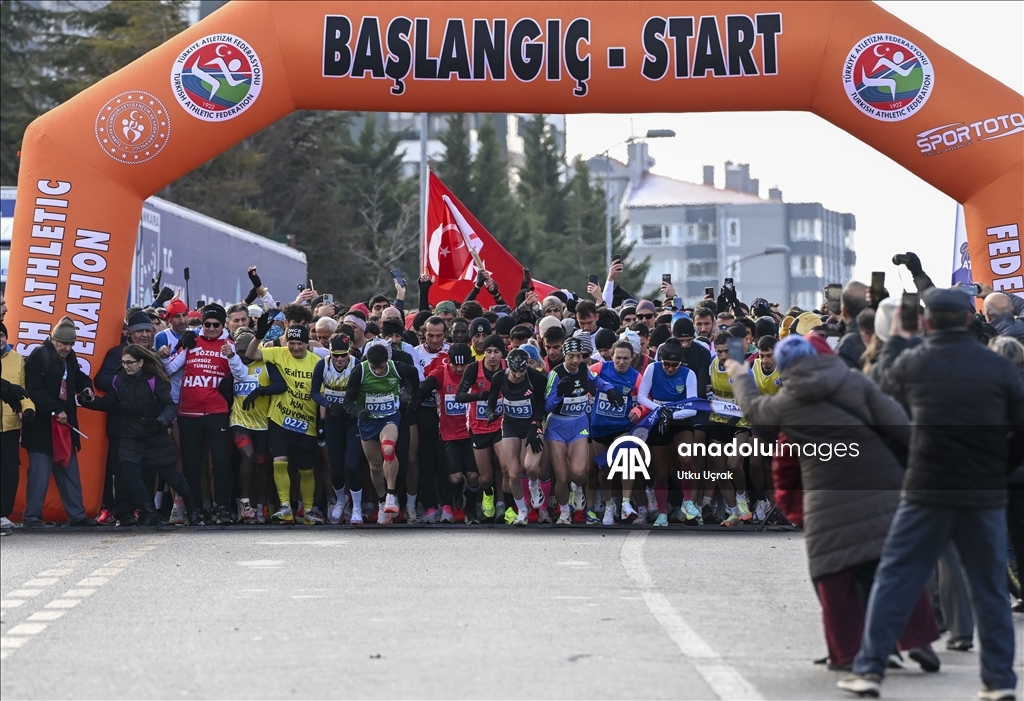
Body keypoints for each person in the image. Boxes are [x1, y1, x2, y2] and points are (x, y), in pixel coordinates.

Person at [839, 287, 1024, 700]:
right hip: (982, 490)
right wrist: (999, 465)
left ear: (926, 322)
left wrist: (897, 340)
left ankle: (869, 668)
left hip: (926, 486)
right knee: (990, 589)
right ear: (967, 319)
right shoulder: (996, 365)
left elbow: (878, 394)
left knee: (896, 576)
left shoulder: (914, 362)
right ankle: (998, 681)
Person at [80, 344, 199, 526]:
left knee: (171, 475)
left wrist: (164, 418)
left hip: (155, 432)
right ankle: (149, 510)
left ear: (141, 363)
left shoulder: (154, 380)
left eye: (130, 363)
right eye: (123, 363)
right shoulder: (118, 380)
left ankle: (192, 508)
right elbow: (108, 403)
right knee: (129, 472)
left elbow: (168, 405)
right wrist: (89, 401)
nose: (126, 366)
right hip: (131, 433)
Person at [22, 317, 98, 528]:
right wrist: (54, 409)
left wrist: (86, 387)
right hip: (42, 426)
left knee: (69, 471)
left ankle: (77, 515)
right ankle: (32, 517)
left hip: (64, 425)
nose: (68, 348)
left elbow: (79, 376)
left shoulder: (69, 356)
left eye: (71, 344)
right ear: (53, 339)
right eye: (64, 343)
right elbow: (33, 390)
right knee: (39, 475)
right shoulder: (39, 355)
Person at [164, 303, 236, 526]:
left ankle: (222, 507)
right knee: (191, 464)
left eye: (216, 325)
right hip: (188, 412)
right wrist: (178, 347)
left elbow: (242, 374)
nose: (211, 328)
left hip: (216, 411)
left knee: (220, 461)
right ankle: (193, 508)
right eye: (207, 324)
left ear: (223, 325)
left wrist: (233, 359)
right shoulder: (192, 341)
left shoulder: (228, 345)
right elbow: (168, 369)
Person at [246, 322, 323, 525]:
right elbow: (252, 354)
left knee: (306, 469)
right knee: (279, 461)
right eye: (292, 343)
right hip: (280, 420)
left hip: (307, 423)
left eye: (300, 344)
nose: (295, 347)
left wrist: (322, 422)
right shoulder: (278, 353)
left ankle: (308, 511)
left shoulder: (317, 362)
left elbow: (322, 393)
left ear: (307, 344)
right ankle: (285, 507)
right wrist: (258, 336)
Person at [545, 336, 623, 525]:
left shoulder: (583, 368)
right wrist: (559, 394)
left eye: (579, 356)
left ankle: (577, 487)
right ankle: (564, 512)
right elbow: (546, 406)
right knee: (562, 477)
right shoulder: (556, 373)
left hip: (579, 424)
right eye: (571, 356)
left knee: (580, 473)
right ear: (564, 356)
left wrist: (610, 389)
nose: (575, 361)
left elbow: (596, 380)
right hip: (557, 426)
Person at [343, 340, 420, 524]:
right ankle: (382, 500)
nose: (378, 371)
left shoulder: (397, 367)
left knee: (388, 449)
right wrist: (357, 412)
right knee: (375, 467)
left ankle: (391, 495)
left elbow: (414, 374)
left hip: (389, 418)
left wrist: (414, 396)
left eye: (381, 367)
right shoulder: (360, 371)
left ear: (388, 361)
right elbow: (347, 401)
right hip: (368, 422)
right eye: (374, 368)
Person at [636, 338, 698, 526]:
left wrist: (671, 415)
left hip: (680, 419)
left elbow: (693, 407)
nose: (670, 368)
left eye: (674, 365)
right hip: (658, 419)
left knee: (686, 458)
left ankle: (688, 501)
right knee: (661, 472)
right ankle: (662, 512)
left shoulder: (688, 374)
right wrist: (660, 410)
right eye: (666, 364)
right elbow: (641, 396)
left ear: (681, 363)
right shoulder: (652, 369)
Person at [486, 348, 548, 525]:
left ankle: (534, 485)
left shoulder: (535, 378)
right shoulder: (499, 377)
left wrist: (535, 424)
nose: (519, 375)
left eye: (522, 371)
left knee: (530, 467)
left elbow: (541, 404)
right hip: (511, 426)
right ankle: (521, 511)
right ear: (508, 368)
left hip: (531, 425)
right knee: (513, 473)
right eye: (515, 372)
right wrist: (491, 412)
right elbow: (492, 398)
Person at [419, 343, 476, 523]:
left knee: (474, 475)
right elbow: (427, 384)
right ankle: (457, 492)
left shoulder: (475, 372)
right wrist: (418, 391)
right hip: (448, 434)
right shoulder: (441, 372)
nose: (459, 369)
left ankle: (471, 509)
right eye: (455, 364)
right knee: (455, 478)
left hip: (471, 432)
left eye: (463, 365)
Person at [590, 340, 643, 525]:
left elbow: (644, 399)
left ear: (632, 358)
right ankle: (609, 506)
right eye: (618, 358)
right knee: (605, 470)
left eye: (625, 358)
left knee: (627, 458)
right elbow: (584, 375)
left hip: (622, 427)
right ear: (611, 356)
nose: (621, 362)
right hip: (599, 427)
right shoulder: (600, 368)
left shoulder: (636, 377)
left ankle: (626, 504)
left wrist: (638, 410)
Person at [456, 334, 507, 522]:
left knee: (506, 467)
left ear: (502, 353)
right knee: (485, 478)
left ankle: (504, 505)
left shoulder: (507, 367)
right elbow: (459, 396)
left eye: (496, 352)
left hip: (501, 424)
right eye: (489, 351)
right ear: (483, 353)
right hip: (479, 426)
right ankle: (488, 494)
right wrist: (479, 396)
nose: (492, 356)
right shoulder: (473, 369)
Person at [311, 335, 362, 524]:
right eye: (336, 355)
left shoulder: (357, 365)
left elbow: (363, 391)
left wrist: (351, 407)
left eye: (343, 355)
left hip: (351, 419)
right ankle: (341, 500)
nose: (340, 359)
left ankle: (357, 507)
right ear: (330, 352)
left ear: (349, 352)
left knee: (353, 465)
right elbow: (314, 392)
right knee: (335, 468)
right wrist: (328, 405)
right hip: (333, 419)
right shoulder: (322, 365)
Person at [1, 322, 35, 532]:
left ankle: (2, 514)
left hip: (10, 426)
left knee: (9, 472)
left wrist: (28, 407)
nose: (0, 339)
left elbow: (21, 390)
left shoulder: (17, 359)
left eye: (2, 335)